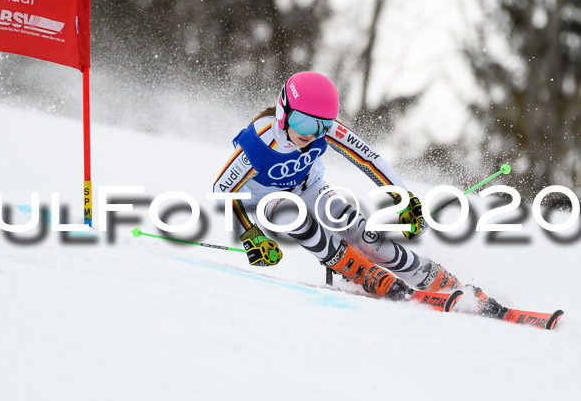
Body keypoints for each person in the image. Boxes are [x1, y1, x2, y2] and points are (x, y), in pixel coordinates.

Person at [212, 71, 505, 315]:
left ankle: (438, 280)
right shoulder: (260, 141)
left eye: (322, 126)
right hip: (267, 202)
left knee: (361, 233)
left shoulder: (323, 131)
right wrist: (250, 234)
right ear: (283, 112)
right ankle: (357, 270)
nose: (312, 134)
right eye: (303, 123)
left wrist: (404, 199)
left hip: (310, 187)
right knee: (292, 213)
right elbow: (222, 188)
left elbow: (369, 158)